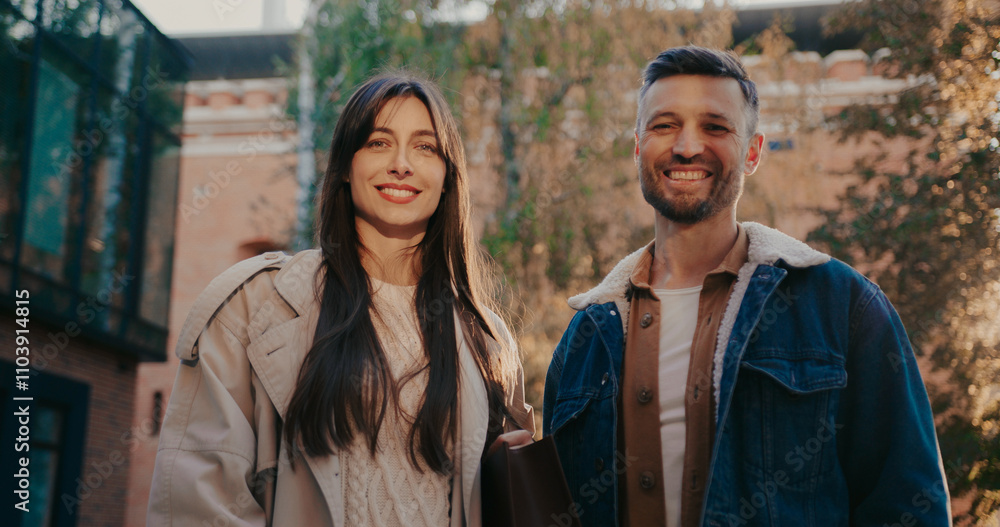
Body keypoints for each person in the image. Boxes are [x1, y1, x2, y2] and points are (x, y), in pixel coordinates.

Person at [543, 46, 951, 527]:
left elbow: (907, 502)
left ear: (753, 152)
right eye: (664, 125)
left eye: (715, 126)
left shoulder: (844, 307)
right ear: (638, 148)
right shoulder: (585, 337)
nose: (687, 146)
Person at [148, 71, 534, 527]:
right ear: (345, 169)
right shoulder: (252, 306)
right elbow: (199, 503)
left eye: (425, 147)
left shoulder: (488, 341)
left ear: (448, 177)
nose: (402, 164)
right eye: (378, 142)